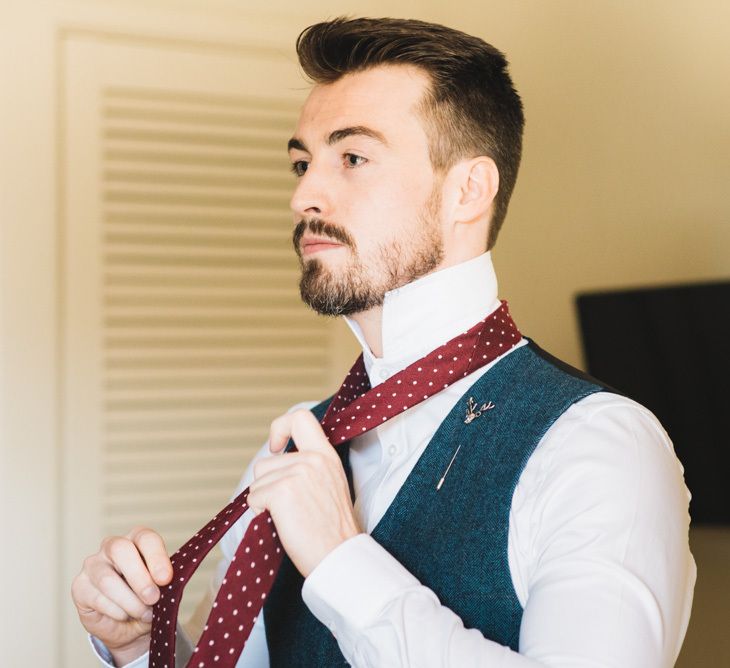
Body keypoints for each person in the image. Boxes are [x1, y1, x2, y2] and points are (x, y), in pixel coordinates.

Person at [72, 16, 696, 667]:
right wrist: (143, 646)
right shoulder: (294, 445)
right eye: (301, 163)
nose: (304, 195)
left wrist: (342, 562)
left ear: (468, 191)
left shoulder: (599, 446)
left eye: (353, 158)